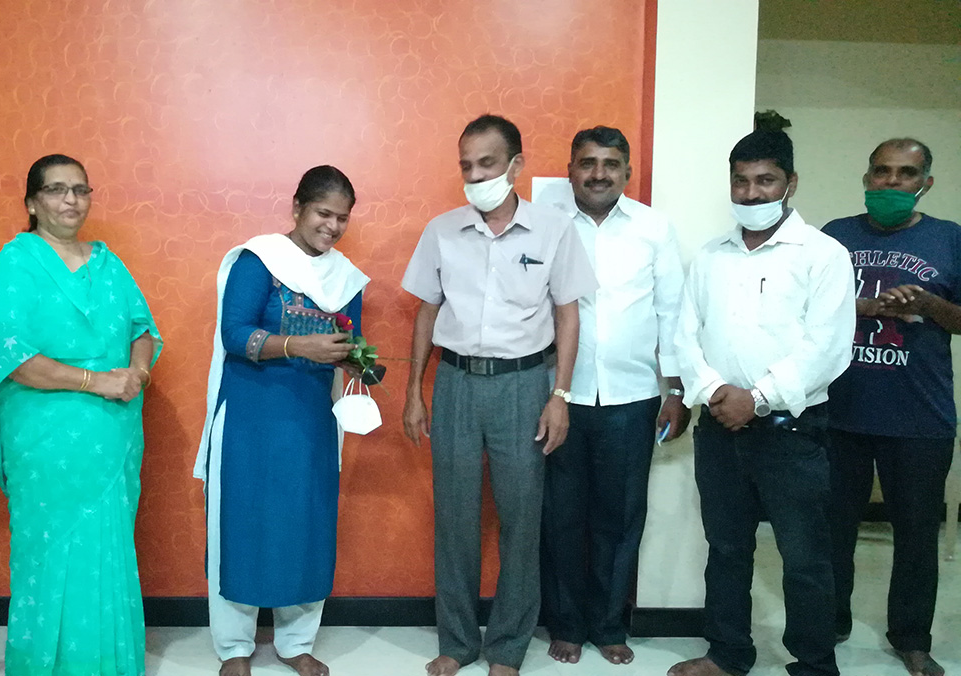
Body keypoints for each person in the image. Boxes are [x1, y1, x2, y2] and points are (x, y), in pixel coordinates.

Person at [401, 114, 597, 676]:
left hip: (524, 386)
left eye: (486, 164)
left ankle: (508, 646)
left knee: (521, 519)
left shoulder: (554, 230)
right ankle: (458, 642)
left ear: (516, 165)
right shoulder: (442, 231)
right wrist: (416, 391)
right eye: (466, 165)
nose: (474, 175)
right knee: (455, 519)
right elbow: (426, 311)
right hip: (457, 383)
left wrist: (560, 394)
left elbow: (568, 313)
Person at [669, 128, 854, 676]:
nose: (751, 193)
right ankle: (727, 654)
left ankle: (815, 664)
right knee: (726, 550)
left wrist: (759, 397)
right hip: (718, 429)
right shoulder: (710, 256)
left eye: (765, 181)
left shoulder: (823, 255)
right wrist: (712, 392)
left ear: (790, 183)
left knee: (805, 559)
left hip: (792, 433)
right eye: (741, 181)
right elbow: (685, 335)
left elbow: (827, 348)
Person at [0, 154, 162, 676]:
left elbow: (142, 330)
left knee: (108, 547)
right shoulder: (16, 262)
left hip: (111, 431)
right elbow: (10, 357)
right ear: (32, 202)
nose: (71, 201)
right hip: (46, 433)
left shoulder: (108, 262)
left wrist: (136, 375)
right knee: (49, 552)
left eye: (80, 190)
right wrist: (97, 380)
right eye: (57, 190)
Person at [196, 165, 371, 676]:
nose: (333, 226)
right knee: (242, 523)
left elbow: (346, 345)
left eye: (342, 218)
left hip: (313, 420)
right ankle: (234, 647)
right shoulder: (259, 261)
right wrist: (299, 345)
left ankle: (296, 643)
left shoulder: (345, 278)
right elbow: (234, 335)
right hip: (251, 416)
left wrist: (361, 360)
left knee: (306, 524)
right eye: (323, 213)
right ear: (296, 207)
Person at [539, 126, 688, 666]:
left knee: (620, 516)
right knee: (560, 516)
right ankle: (565, 624)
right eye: (587, 162)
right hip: (560, 395)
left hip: (634, 395)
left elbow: (672, 312)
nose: (598, 173)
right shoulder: (543, 223)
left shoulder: (654, 228)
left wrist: (674, 389)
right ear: (570, 168)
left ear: (626, 170)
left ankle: (607, 625)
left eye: (610, 164)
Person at [822, 138, 960, 676]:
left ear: (925, 182)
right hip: (838, 413)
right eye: (881, 172)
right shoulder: (836, 235)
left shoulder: (948, 239)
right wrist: (860, 305)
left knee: (917, 536)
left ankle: (912, 638)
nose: (890, 183)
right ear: (866, 176)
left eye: (905, 174)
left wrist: (928, 304)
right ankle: (829, 624)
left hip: (920, 419)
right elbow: (802, 306)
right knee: (831, 530)